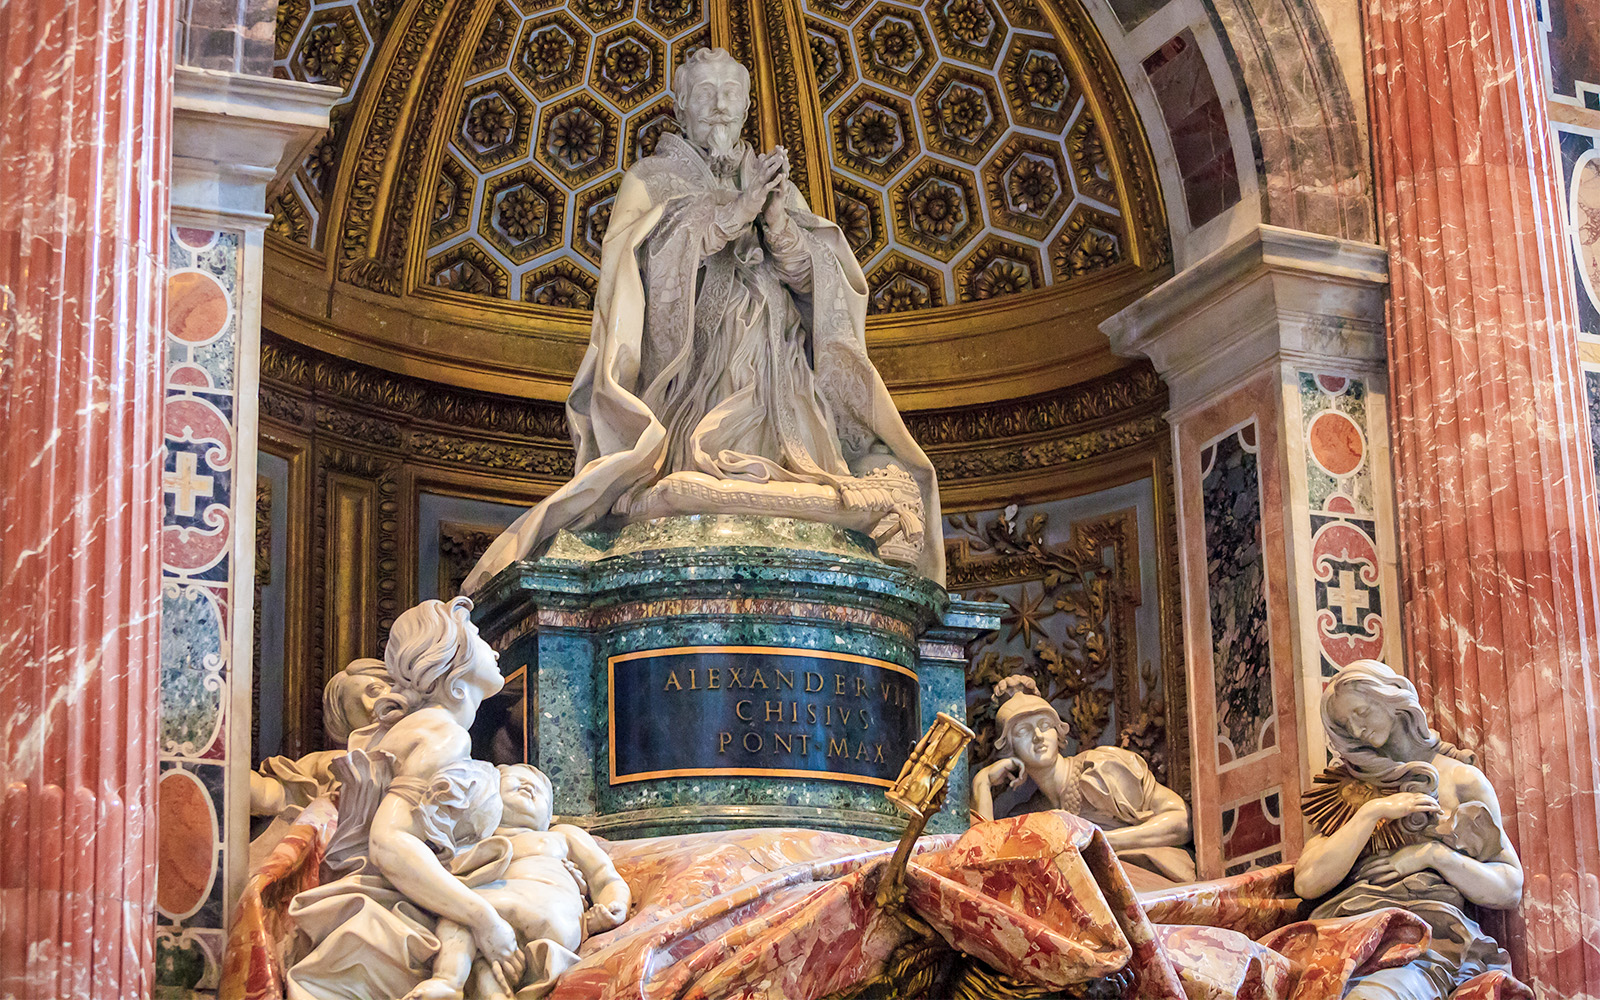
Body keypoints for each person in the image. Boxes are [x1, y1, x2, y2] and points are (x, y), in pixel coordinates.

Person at [462, 47, 943, 593]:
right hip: (691, 379)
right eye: (705, 93)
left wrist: (778, 220)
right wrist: (734, 213)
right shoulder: (650, 180)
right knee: (687, 469)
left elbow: (822, 293)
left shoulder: (776, 184)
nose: (718, 105)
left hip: (778, 374)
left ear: (745, 108)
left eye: (730, 93)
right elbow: (635, 280)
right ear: (681, 105)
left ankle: (792, 472)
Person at [287, 598, 524, 1000]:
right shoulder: (441, 734)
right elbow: (388, 843)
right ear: (454, 665)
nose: (496, 649)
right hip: (400, 930)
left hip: (406, 914)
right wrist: (484, 919)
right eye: (480, 638)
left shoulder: (420, 728)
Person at [1294, 660, 1524, 1000]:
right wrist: (1372, 812)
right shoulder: (1346, 789)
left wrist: (1431, 855)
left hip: (1419, 943)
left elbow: (1509, 887)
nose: (1357, 731)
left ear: (1393, 700)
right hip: (1340, 936)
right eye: (1346, 724)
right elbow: (1308, 882)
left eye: (1362, 712)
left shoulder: (1459, 779)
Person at [402, 765, 631, 1000]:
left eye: (541, 791)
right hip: (498, 916)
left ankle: (448, 980)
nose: (528, 786)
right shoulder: (472, 842)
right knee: (474, 945)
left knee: (466, 913)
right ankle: (467, 987)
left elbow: (605, 877)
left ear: (548, 817)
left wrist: (614, 906)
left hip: (550, 909)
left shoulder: (561, 836)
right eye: (516, 779)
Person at [971, 676, 1194, 881]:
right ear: (1009, 750)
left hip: (1153, 884)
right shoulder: (1032, 815)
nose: (1038, 737)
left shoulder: (1099, 769)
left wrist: (1098, 842)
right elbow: (988, 867)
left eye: (1045, 726)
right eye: (1022, 731)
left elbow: (1181, 820)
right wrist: (982, 782)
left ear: (1058, 734)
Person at [249, 657, 390, 820]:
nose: (368, 706)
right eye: (354, 707)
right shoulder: (333, 763)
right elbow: (269, 794)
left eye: (375, 691)